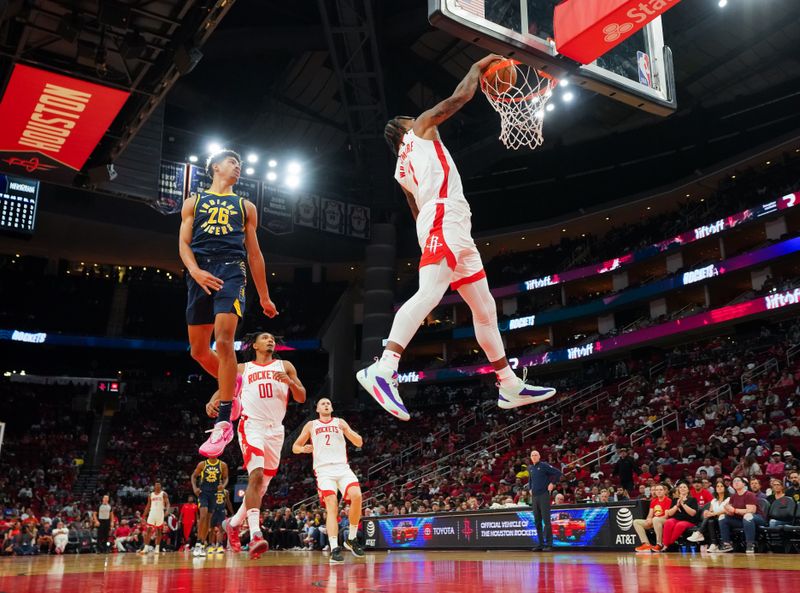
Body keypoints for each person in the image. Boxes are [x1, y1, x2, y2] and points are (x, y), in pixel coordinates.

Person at [356, 55, 557, 421]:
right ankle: (383, 369)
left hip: (445, 224)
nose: (419, 116)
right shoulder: (417, 130)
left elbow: (416, 210)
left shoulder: (401, 171)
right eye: (411, 117)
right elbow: (458, 98)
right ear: (404, 128)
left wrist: (431, 240)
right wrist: (477, 68)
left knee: (485, 309)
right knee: (430, 293)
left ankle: (508, 383)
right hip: (444, 217)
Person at [179, 149, 278, 457]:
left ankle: (223, 422)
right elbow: (183, 243)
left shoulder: (245, 205)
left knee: (224, 341)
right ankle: (234, 386)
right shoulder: (193, 202)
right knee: (197, 350)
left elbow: (255, 254)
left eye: (240, 163)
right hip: (200, 272)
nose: (238, 167)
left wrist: (263, 295)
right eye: (233, 162)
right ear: (215, 167)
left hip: (232, 270)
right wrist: (195, 271)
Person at [214, 331, 306, 559]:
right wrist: (212, 400)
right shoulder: (243, 368)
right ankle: (255, 534)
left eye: (273, 338)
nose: (271, 340)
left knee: (261, 488)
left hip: (276, 430)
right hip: (251, 425)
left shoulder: (285, 365)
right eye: (265, 338)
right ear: (254, 345)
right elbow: (225, 386)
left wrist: (291, 382)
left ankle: (233, 524)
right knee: (254, 478)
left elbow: (302, 397)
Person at [293, 398, 366, 564]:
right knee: (332, 505)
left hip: (342, 468)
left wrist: (348, 431)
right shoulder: (311, 425)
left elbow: (359, 442)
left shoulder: (340, 422)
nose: (326, 405)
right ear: (317, 408)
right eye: (322, 403)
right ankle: (334, 548)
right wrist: (303, 449)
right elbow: (294, 447)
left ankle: (351, 539)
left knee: (357, 495)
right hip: (324, 470)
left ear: (331, 408)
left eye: (328, 403)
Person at [190, 456, 228, 557]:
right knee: (203, 515)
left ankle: (202, 543)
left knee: (208, 519)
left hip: (214, 494)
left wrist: (223, 486)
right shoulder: (202, 464)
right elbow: (193, 476)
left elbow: (226, 478)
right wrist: (195, 488)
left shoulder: (222, 465)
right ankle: (198, 543)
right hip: (203, 493)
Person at [718, 476, 766, 554]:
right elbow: (731, 512)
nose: (736, 482)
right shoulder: (733, 497)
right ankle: (727, 544)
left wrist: (734, 510)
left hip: (757, 518)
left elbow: (751, 510)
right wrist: (728, 510)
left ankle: (750, 544)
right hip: (741, 520)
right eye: (734, 481)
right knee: (722, 517)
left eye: (738, 481)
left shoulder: (749, 494)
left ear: (743, 484)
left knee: (747, 515)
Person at [527, 449, 562, 551]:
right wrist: (530, 488)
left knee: (546, 520)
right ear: (530, 457)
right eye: (532, 455)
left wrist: (552, 483)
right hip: (534, 497)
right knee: (537, 521)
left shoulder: (544, 465)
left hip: (543, 495)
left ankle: (549, 544)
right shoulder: (530, 468)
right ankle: (541, 544)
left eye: (536, 455)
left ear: (539, 456)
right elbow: (530, 480)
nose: (534, 456)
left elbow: (558, 473)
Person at [687, 480, 729, 551]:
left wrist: (713, 513)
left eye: (721, 486)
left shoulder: (728, 499)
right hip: (715, 520)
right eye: (717, 486)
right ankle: (713, 544)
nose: (719, 488)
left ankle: (700, 532)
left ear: (725, 488)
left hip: (724, 520)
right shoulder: (714, 500)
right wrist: (707, 512)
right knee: (710, 520)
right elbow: (711, 511)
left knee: (710, 518)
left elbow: (726, 511)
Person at [633, 483, 671, 553]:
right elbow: (650, 514)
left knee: (655, 519)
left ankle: (659, 544)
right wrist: (648, 519)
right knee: (636, 522)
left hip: (664, 520)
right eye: (657, 490)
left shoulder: (668, 500)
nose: (659, 491)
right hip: (655, 521)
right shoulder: (654, 501)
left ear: (664, 491)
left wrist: (654, 520)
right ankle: (646, 544)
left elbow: (666, 515)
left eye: (661, 490)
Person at [661, 482, 699, 549]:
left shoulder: (693, 500)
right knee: (668, 522)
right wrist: (677, 505)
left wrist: (683, 504)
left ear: (688, 490)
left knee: (680, 525)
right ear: (678, 490)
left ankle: (668, 544)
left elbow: (693, 513)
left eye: (684, 487)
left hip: (689, 521)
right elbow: (670, 513)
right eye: (680, 487)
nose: (682, 488)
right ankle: (666, 545)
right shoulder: (675, 500)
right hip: (676, 519)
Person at [139, 482, 169, 554]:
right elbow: (148, 506)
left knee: (159, 531)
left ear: (160, 486)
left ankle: (157, 548)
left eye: (159, 485)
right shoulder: (151, 495)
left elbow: (167, 503)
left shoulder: (163, 494)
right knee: (148, 530)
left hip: (160, 513)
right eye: (156, 485)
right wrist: (143, 516)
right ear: (154, 487)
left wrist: (167, 510)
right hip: (152, 513)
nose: (158, 486)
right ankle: (146, 548)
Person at [209, 485, 233, 554]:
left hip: (221, 511)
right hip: (213, 511)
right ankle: (211, 545)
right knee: (211, 529)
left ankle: (220, 545)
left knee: (221, 529)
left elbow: (228, 502)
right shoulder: (211, 490)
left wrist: (232, 512)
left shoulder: (225, 492)